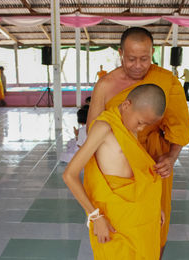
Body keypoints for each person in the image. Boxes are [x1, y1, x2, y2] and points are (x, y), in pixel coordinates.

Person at [86, 27, 189, 258]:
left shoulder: (165, 81)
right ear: (120, 53)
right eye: (131, 58)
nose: (138, 65)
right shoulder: (105, 85)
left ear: (152, 53)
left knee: (155, 227)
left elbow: (180, 126)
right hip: (117, 169)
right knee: (117, 232)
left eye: (144, 59)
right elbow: (92, 133)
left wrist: (171, 157)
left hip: (153, 163)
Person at [63, 84, 166, 259]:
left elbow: (137, 170)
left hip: (138, 212)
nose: (140, 129)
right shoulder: (104, 128)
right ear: (126, 105)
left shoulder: (129, 127)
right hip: (113, 217)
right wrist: (95, 216)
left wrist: (154, 205)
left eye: (146, 125)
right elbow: (69, 175)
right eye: (140, 122)